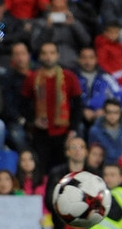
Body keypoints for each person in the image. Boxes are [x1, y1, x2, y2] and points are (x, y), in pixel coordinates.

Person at [21, 42, 83, 172]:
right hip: (40, 133)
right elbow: (23, 104)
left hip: (64, 133)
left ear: (57, 55)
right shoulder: (32, 78)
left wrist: (73, 130)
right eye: (44, 53)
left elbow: (78, 105)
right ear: (40, 56)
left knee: (63, 171)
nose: (48, 56)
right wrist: (32, 121)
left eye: (52, 53)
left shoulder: (69, 77)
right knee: (41, 170)